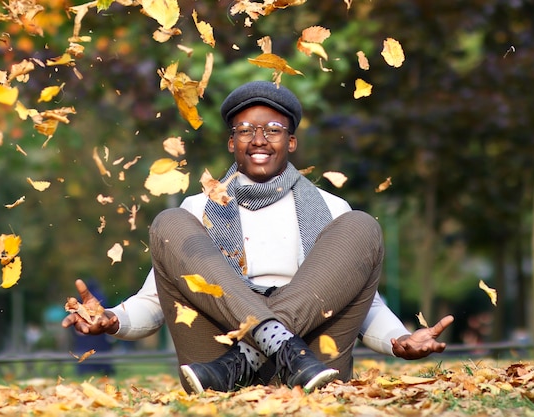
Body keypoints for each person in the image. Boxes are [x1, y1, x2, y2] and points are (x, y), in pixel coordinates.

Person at [63, 80, 454, 394]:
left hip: (312, 357)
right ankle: (277, 349)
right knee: (169, 222)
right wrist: (112, 319)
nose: (259, 139)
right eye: (246, 130)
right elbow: (156, 302)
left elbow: (362, 305)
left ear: (292, 142)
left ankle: (249, 360)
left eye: (273, 130)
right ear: (232, 143)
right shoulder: (198, 208)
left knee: (363, 226)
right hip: (216, 350)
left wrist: (400, 338)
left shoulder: (332, 208)